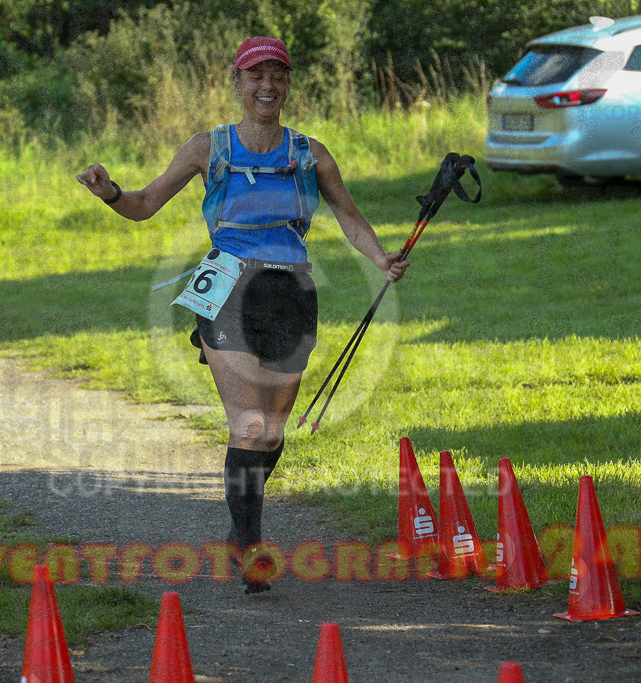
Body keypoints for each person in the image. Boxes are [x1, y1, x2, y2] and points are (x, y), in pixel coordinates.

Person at [76, 36, 409, 593]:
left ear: (288, 84)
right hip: (226, 283)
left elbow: (350, 217)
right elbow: (144, 205)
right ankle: (251, 546)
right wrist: (112, 193)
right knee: (249, 424)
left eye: (277, 76)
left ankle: (239, 531)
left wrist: (381, 258)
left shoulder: (310, 153)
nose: (267, 86)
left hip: (292, 289)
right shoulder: (209, 147)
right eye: (255, 76)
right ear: (236, 82)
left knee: (272, 432)